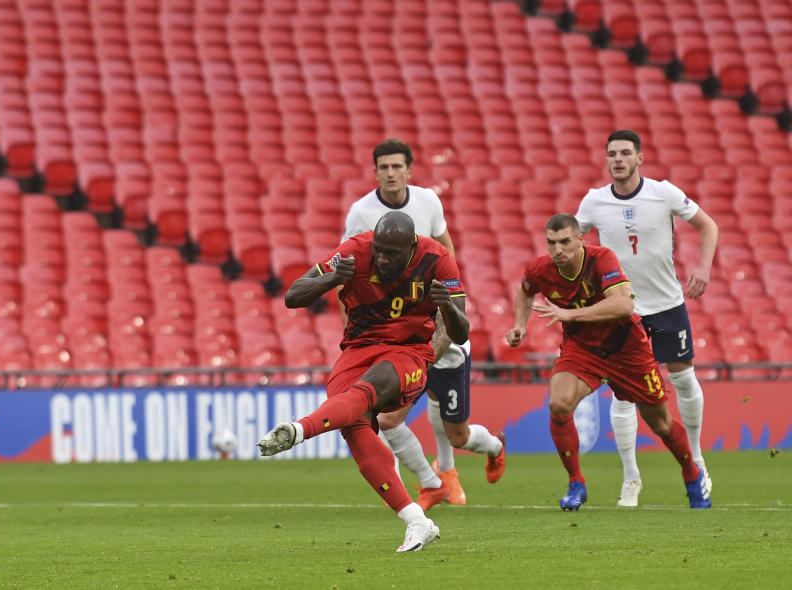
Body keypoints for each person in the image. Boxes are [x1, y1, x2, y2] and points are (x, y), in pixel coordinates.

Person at [257, 211, 469, 551]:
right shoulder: (355, 250)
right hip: (357, 349)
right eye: (379, 250)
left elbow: (461, 333)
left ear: (411, 247)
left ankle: (300, 430)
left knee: (368, 390)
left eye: (390, 253)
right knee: (355, 426)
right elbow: (293, 295)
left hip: (409, 352)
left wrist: (450, 309)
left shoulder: (437, 260)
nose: (381, 258)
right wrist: (331, 279)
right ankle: (417, 521)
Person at [341, 138, 506, 510]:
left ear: (409, 170)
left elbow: (446, 252)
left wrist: (451, 305)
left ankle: (494, 446)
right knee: (387, 418)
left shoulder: (428, 201)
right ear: (375, 172)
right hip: (395, 330)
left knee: (458, 433)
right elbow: (347, 279)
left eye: (397, 166)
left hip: (436, 330)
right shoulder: (361, 213)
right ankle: (433, 483)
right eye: (383, 167)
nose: (390, 173)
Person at [506, 213, 711, 510]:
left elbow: (624, 304)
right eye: (551, 243)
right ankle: (576, 483)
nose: (558, 250)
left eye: (565, 242)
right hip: (582, 349)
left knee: (661, 423)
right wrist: (519, 326)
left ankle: (692, 474)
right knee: (559, 403)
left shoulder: (602, 259)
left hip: (627, 349)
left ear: (580, 239)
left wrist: (569, 315)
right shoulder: (540, 269)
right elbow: (525, 292)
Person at [576, 130, 718, 507]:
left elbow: (709, 224)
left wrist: (703, 267)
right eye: (612, 154)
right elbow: (570, 245)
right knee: (624, 394)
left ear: (639, 158)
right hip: (622, 309)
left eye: (625, 153)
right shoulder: (594, 201)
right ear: (606, 160)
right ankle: (631, 478)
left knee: (684, 379)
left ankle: (697, 457)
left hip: (668, 304)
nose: (618, 159)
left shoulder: (664, 192)